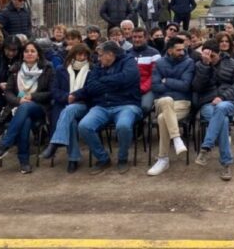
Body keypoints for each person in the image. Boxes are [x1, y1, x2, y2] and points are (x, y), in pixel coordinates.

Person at [75, 41, 142, 175]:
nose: (98, 59)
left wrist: (103, 80)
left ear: (110, 54)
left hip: (126, 104)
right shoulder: (98, 67)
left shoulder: (129, 62)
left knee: (123, 126)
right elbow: (91, 86)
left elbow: (127, 78)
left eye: (100, 56)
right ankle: (103, 158)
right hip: (102, 106)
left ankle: (122, 158)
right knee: (84, 126)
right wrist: (113, 83)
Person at [0, 41, 54, 174]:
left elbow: (51, 93)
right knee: (25, 121)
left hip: (39, 107)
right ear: (22, 54)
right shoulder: (16, 69)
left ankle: (6, 144)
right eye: (26, 51)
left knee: (25, 108)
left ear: (38, 54)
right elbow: (8, 92)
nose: (29, 54)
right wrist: (18, 100)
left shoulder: (47, 68)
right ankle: (24, 163)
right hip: (18, 106)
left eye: (32, 51)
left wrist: (33, 97)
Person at [193, 39, 234, 181]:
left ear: (219, 53)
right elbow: (197, 87)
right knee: (224, 122)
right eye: (206, 56)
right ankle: (226, 164)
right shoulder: (200, 65)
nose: (210, 59)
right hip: (207, 104)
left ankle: (206, 147)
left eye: (212, 56)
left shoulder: (233, 64)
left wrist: (222, 96)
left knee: (221, 109)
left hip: (227, 102)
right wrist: (205, 66)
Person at [39, 44, 91, 173]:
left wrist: (75, 96)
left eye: (85, 55)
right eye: (79, 54)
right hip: (64, 104)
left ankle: (55, 143)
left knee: (68, 111)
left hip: (83, 105)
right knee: (71, 122)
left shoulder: (92, 70)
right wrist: (66, 97)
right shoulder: (61, 69)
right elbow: (54, 90)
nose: (82, 57)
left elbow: (91, 89)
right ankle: (73, 159)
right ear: (73, 55)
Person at [147, 37, 195, 176]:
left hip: (182, 103)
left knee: (163, 119)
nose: (182, 52)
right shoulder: (159, 63)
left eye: (183, 49)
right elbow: (155, 86)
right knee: (166, 100)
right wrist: (175, 85)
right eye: (178, 50)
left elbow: (186, 86)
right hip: (162, 102)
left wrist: (166, 80)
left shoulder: (189, 62)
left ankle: (163, 159)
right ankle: (176, 138)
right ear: (169, 50)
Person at [128, 27, 161, 116]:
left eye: (140, 37)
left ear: (146, 38)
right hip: (130, 87)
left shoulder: (154, 53)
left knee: (145, 107)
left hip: (148, 88)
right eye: (134, 37)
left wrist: (142, 88)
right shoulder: (127, 53)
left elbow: (155, 75)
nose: (137, 39)